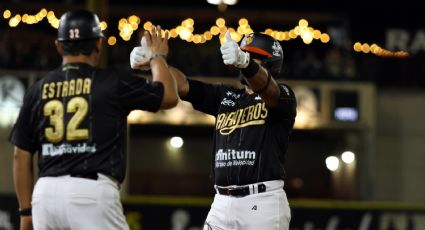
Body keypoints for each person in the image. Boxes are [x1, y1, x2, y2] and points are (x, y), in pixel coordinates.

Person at [9, 9, 178, 230]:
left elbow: (20, 154)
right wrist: (157, 57)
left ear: (59, 46)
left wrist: (25, 212)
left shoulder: (37, 90)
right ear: (99, 43)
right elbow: (168, 96)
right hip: (90, 192)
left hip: (45, 194)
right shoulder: (111, 82)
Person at [164, 31, 296, 229]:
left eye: (252, 56)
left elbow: (271, 92)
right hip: (222, 201)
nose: (244, 60)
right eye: (242, 53)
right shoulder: (225, 96)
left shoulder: (282, 96)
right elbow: (182, 84)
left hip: (262, 201)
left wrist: (246, 63)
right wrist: (155, 61)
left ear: (271, 62)